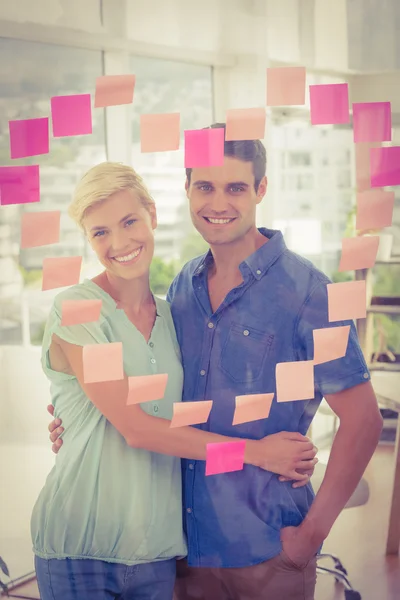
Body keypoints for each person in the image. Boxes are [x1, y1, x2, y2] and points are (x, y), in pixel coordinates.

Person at [49, 125, 383, 600]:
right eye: (204, 186)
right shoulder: (183, 287)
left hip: (266, 547)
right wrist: (78, 417)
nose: (218, 202)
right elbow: (150, 403)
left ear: (260, 190)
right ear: (186, 191)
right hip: (182, 550)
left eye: (236, 187)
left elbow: (364, 421)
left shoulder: (312, 293)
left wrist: (309, 538)